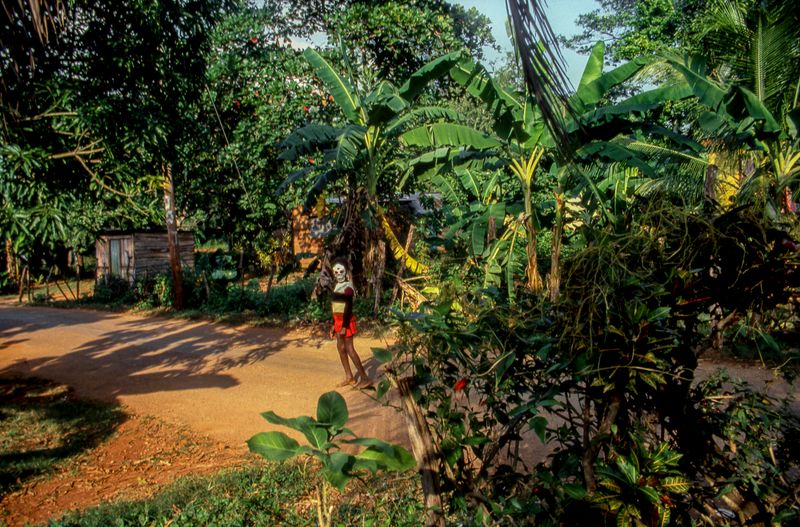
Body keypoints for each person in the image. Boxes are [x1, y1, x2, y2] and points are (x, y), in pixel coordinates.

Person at [329, 257, 371, 388]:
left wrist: (344, 326)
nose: (338, 274)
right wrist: (333, 324)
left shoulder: (348, 288)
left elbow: (348, 307)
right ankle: (349, 377)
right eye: (336, 272)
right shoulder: (337, 286)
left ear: (346, 272)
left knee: (349, 348)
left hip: (346, 322)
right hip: (338, 321)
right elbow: (335, 306)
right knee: (340, 348)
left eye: (341, 271)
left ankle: (364, 378)